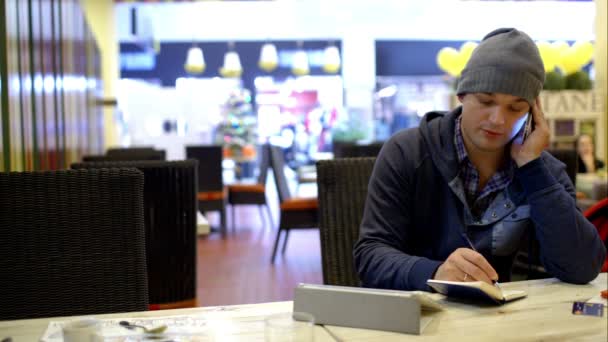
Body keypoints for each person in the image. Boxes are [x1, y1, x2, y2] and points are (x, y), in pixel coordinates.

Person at [354, 28, 606, 291]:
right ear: (461, 95)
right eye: (486, 101)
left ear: (533, 112)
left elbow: (583, 267)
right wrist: (435, 272)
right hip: (421, 318)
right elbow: (370, 256)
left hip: (513, 323)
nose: (498, 119)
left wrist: (532, 168)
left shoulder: (544, 172)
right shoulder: (407, 152)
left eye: (515, 108)